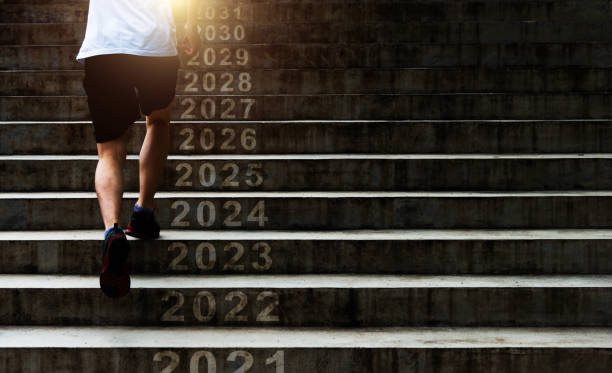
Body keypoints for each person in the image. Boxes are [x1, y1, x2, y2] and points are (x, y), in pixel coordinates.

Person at [76, 0, 200, 298]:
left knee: (109, 149)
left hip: (105, 47)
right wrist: (190, 27)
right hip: (155, 45)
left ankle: (112, 230)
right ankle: (143, 211)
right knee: (157, 121)